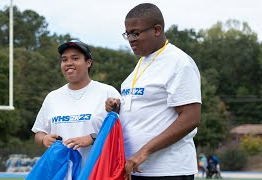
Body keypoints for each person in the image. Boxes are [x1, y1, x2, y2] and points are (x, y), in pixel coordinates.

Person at [105, 3, 201, 180]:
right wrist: (117, 107)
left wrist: (145, 151)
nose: (131, 39)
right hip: (134, 168)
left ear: (157, 30)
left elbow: (191, 117)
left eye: (136, 33)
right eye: (127, 34)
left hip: (168, 171)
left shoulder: (179, 62)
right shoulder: (142, 63)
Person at [31, 40, 121, 178]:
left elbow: (121, 135)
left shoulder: (107, 92)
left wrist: (92, 138)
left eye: (75, 58)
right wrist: (45, 139)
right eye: (64, 59)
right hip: (60, 174)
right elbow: (39, 133)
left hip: (97, 173)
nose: (68, 63)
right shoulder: (52, 97)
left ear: (88, 62)